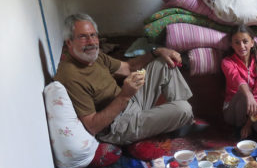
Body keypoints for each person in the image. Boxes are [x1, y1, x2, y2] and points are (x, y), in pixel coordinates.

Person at [55, 13, 194, 145]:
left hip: (129, 103)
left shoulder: (95, 57)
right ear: (69, 43)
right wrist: (124, 95)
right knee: (184, 108)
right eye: (83, 37)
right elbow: (93, 127)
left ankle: (181, 122)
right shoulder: (70, 76)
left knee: (163, 63)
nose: (91, 42)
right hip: (116, 125)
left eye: (93, 35)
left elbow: (129, 67)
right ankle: (180, 117)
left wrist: (157, 51)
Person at [221, 24, 257, 141]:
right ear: (231, 44)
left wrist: (248, 124)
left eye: (245, 41)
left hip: (253, 109)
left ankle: (247, 130)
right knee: (243, 93)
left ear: (252, 42)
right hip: (232, 111)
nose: (241, 46)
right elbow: (236, 78)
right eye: (237, 42)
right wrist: (248, 94)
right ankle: (238, 132)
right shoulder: (227, 62)